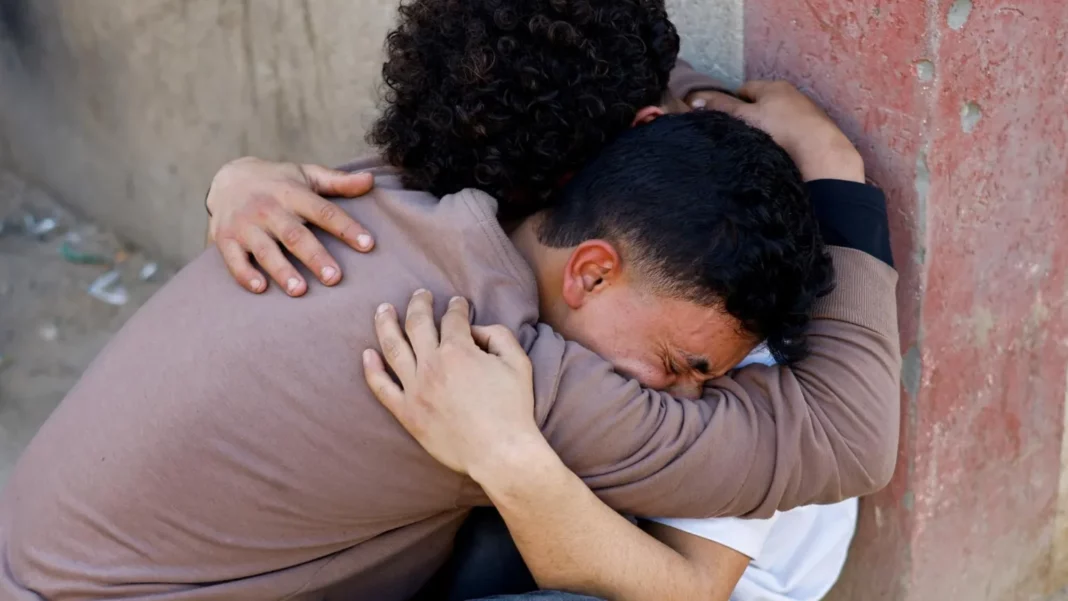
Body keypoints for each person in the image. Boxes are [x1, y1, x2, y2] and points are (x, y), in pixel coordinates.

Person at [0, 3, 899, 601]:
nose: (691, 391)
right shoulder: (483, 355)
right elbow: (852, 438)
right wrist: (837, 170)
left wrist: (231, 177)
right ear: (591, 268)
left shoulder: (378, 193)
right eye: (682, 364)